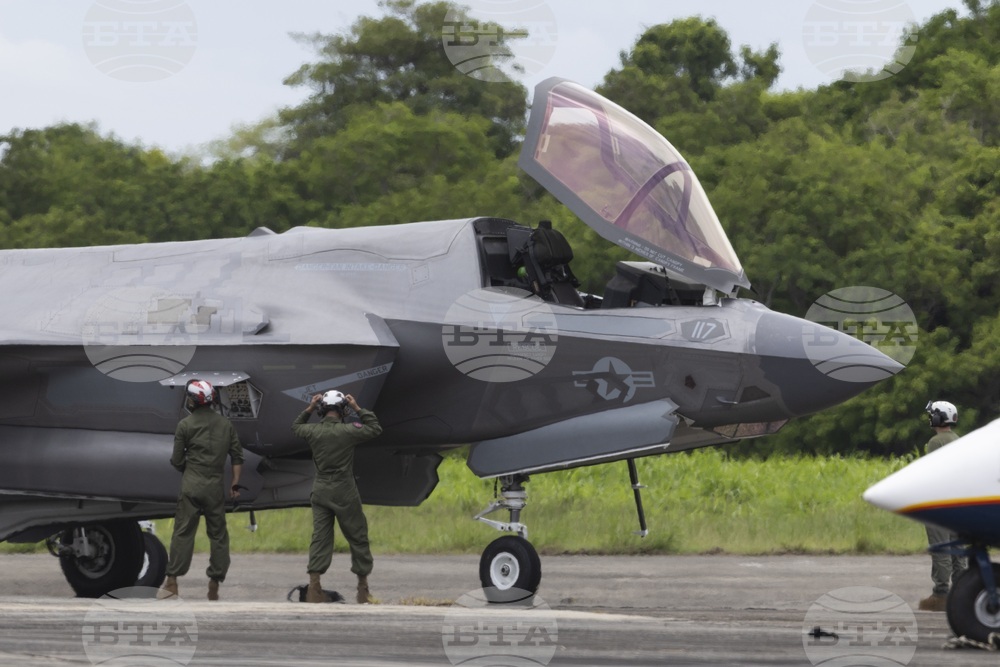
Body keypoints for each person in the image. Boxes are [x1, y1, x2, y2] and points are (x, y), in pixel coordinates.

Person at [292, 390, 382, 603]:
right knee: (357, 536)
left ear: (322, 410)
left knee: (320, 538)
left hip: (321, 489)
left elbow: (295, 427)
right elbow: (375, 429)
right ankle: (362, 588)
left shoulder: (312, 431)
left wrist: (309, 408)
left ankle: (314, 587)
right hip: (344, 491)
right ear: (343, 410)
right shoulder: (349, 431)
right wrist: (358, 408)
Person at [159, 380, 243, 601]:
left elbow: (177, 460)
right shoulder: (226, 425)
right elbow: (237, 456)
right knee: (218, 535)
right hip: (215, 488)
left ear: (193, 400)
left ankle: (172, 583)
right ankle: (214, 583)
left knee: (183, 532)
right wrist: (234, 484)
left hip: (191, 485)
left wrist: (189, 468)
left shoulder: (185, 425)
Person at [918, 400, 965, 612]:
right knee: (957, 548)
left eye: (932, 414)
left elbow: (931, 472)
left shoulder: (936, 442)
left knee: (941, 548)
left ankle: (941, 594)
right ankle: (962, 591)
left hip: (939, 501)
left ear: (939, 417)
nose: (930, 418)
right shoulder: (958, 439)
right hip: (959, 501)